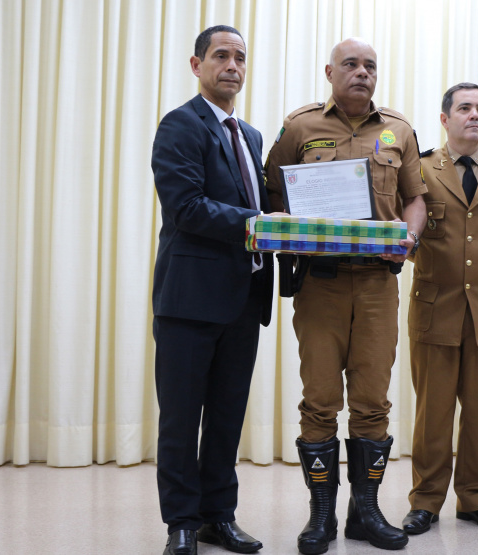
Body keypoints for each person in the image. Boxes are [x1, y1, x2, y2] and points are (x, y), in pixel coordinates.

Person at [264, 38, 427, 554]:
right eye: (352, 65)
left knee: (373, 402)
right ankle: (320, 518)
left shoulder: (398, 130)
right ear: (330, 71)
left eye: (371, 66)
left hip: (379, 284)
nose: (362, 73)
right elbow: (273, 194)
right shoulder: (300, 126)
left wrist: (411, 237)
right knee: (319, 402)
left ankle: (366, 513)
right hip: (321, 285)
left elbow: (415, 199)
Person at [151, 25, 274, 555]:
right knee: (182, 417)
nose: (232, 65)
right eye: (220, 56)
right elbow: (186, 206)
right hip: (190, 298)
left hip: (244, 298)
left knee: (226, 415)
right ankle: (181, 521)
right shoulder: (180, 124)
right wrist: (264, 222)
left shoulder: (250, 136)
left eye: (240, 57)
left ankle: (217, 517)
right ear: (196, 64)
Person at [401, 83, 478, 536]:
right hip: (436, 307)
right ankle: (426, 500)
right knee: (432, 412)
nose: (474, 115)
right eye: (464, 108)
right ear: (445, 118)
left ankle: (475, 497)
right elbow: (408, 233)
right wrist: (444, 266)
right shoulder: (418, 170)